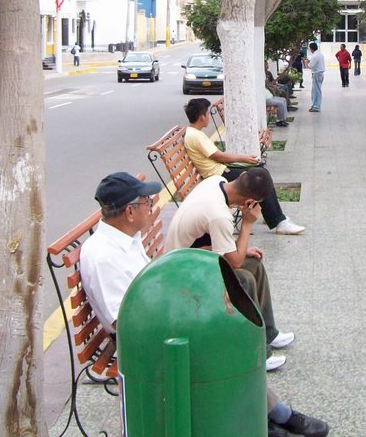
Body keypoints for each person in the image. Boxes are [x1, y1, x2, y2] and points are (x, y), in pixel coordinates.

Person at [79, 172, 328, 437]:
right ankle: (273, 415)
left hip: (164, 316)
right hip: (148, 341)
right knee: (225, 340)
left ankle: (264, 416)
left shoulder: (125, 240)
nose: (151, 208)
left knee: (228, 321)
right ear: (130, 212)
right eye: (146, 203)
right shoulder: (104, 256)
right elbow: (126, 323)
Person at [166, 168, 296, 369]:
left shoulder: (216, 182)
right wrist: (247, 224)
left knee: (254, 264)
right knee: (244, 279)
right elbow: (234, 262)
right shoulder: (219, 215)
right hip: (183, 271)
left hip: (193, 256)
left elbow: (216, 246)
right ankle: (257, 354)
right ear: (249, 202)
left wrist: (239, 249)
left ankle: (269, 333)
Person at [184, 98, 304, 235]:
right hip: (219, 176)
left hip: (221, 170)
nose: (209, 118)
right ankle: (279, 222)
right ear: (202, 117)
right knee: (260, 177)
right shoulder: (196, 136)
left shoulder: (194, 134)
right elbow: (219, 156)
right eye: (207, 115)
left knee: (260, 171)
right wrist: (244, 158)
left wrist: (244, 160)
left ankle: (273, 214)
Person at [307, 42, 325, 112]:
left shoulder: (315, 56)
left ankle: (316, 106)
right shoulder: (320, 54)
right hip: (319, 74)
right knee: (315, 91)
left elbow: (310, 66)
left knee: (316, 91)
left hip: (317, 74)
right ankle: (314, 105)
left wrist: (306, 62)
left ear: (311, 49)